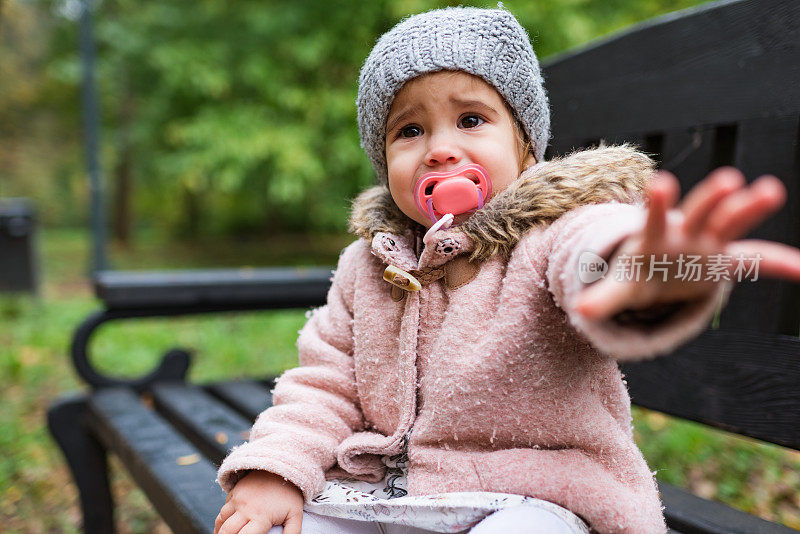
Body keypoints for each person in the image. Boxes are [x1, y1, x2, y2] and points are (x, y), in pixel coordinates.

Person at [214, 6, 800, 534]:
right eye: (410, 130)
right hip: (394, 495)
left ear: (524, 146)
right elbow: (324, 385)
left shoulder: (554, 234)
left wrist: (647, 274)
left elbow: (594, 257)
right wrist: (279, 466)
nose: (440, 148)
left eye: (471, 120)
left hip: (539, 499)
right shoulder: (370, 265)